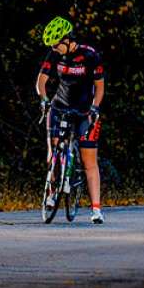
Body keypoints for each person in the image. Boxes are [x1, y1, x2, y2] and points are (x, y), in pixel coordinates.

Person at [35, 16, 106, 224]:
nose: (54, 48)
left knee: (89, 161)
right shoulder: (54, 53)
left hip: (84, 111)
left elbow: (100, 87)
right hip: (59, 107)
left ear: (67, 40)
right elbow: (41, 81)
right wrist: (44, 99)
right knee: (52, 153)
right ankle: (51, 192)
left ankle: (96, 209)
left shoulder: (90, 55)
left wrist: (95, 108)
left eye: (56, 44)